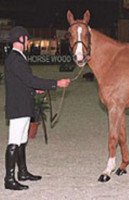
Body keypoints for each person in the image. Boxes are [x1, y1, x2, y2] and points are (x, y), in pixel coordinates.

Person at [4, 26, 70, 190]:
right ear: (21, 39)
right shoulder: (15, 59)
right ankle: (9, 179)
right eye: (26, 38)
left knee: (22, 140)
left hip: (23, 103)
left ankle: (23, 172)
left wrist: (34, 89)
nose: (28, 41)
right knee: (14, 141)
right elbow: (29, 79)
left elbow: (23, 82)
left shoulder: (18, 57)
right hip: (18, 106)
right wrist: (56, 83)